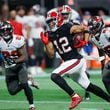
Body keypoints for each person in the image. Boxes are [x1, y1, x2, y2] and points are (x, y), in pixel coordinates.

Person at [40, 10, 110, 110]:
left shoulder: (67, 27)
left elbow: (85, 28)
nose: (50, 24)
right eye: (48, 22)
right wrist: (46, 44)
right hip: (68, 62)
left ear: (58, 19)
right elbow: (51, 55)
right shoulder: (50, 34)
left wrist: (85, 42)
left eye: (52, 21)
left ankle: (75, 97)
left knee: (54, 75)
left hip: (75, 59)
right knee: (88, 86)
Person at [0, 21, 35, 110]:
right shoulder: (0, 42)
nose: (5, 32)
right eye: (3, 31)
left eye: (7, 30)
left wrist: (14, 61)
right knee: (12, 91)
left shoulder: (18, 40)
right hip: (9, 69)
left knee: (24, 83)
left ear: (11, 30)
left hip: (19, 66)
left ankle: (32, 106)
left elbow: (25, 56)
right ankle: (30, 82)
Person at [59, 5, 91, 100]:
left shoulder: (75, 23)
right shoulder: (59, 24)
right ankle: (75, 93)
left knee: (83, 73)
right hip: (68, 51)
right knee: (70, 74)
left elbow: (86, 30)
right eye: (63, 14)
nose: (64, 16)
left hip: (78, 50)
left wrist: (84, 42)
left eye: (66, 14)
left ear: (70, 14)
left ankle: (87, 92)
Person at [88, 16, 110, 95]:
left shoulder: (106, 32)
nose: (93, 30)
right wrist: (102, 65)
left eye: (95, 27)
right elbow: (101, 52)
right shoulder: (93, 38)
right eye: (92, 28)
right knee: (105, 78)